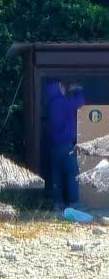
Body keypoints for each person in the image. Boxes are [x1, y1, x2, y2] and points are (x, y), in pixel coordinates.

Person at [46, 80, 85, 211]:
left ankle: (57, 203)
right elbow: (80, 102)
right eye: (62, 86)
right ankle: (74, 203)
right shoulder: (62, 103)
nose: (64, 89)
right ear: (59, 89)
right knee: (73, 173)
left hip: (54, 146)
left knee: (56, 174)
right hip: (66, 145)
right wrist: (77, 89)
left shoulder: (51, 104)